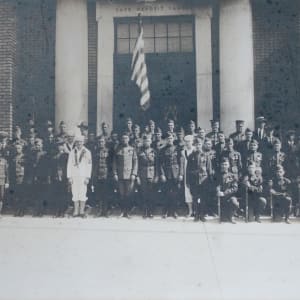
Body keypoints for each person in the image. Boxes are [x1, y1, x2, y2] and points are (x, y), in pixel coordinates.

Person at [112, 132, 138, 218]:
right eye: (123, 138)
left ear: (129, 139)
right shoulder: (118, 149)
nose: (124, 140)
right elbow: (114, 162)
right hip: (120, 175)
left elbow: (135, 162)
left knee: (129, 194)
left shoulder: (132, 149)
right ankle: (122, 211)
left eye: (126, 138)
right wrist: (115, 173)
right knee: (121, 194)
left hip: (129, 175)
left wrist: (134, 174)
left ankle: (128, 212)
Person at [186, 138, 212, 222]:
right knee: (195, 198)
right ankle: (196, 215)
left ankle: (202, 215)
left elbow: (209, 169)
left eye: (199, 144)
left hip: (204, 180)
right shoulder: (191, 156)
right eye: (196, 144)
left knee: (203, 198)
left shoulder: (206, 156)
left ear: (202, 145)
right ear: (194, 145)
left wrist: (209, 180)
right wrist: (187, 182)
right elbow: (188, 170)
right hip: (194, 180)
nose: (198, 146)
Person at [159, 133, 184, 218]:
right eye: (168, 138)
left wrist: (181, 174)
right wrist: (162, 174)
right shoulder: (162, 150)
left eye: (171, 138)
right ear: (166, 140)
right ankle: (166, 211)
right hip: (167, 174)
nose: (169, 140)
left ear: (173, 139)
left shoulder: (178, 149)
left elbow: (181, 162)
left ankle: (174, 211)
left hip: (176, 174)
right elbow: (161, 164)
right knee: (166, 193)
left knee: (175, 193)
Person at [67, 135, 92, 218]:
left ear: (83, 142)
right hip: (74, 175)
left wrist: (87, 177)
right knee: (75, 192)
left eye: (80, 142)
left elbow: (89, 165)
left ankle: (81, 211)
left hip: (83, 176)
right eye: (77, 142)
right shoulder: (72, 152)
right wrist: (69, 177)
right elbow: (69, 165)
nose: (79, 143)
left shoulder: (87, 152)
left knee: (82, 192)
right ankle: (76, 211)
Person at [137, 134, 158, 218]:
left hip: (152, 174)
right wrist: (137, 176)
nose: (147, 142)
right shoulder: (140, 152)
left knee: (151, 193)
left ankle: (150, 211)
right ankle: (145, 211)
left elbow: (157, 165)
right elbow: (137, 165)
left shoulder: (154, 151)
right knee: (144, 193)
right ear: (143, 142)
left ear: (151, 141)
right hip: (142, 174)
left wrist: (156, 176)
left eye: (148, 141)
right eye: (145, 141)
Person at [31, 138, 51, 217]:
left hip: (43, 176)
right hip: (34, 176)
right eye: (36, 145)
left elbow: (48, 167)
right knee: (35, 194)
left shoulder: (45, 154)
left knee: (43, 194)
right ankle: (36, 211)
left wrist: (48, 176)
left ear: (42, 145)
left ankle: (41, 211)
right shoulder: (32, 154)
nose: (38, 146)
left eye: (39, 145)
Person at [216, 157, 239, 223]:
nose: (224, 166)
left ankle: (231, 216)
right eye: (223, 164)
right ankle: (224, 215)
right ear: (220, 165)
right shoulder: (217, 175)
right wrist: (218, 191)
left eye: (226, 164)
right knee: (223, 219)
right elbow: (216, 185)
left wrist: (224, 193)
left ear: (229, 165)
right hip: (220, 197)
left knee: (235, 203)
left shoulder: (232, 175)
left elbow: (235, 188)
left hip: (229, 196)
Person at [93, 136, 112, 217]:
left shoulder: (109, 151)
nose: (101, 143)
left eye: (102, 141)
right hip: (98, 174)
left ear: (105, 142)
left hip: (106, 174)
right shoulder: (95, 151)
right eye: (100, 142)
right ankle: (100, 211)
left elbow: (111, 164)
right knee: (99, 193)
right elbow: (94, 164)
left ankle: (106, 211)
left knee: (106, 193)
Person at [51, 138, 69, 217]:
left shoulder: (66, 155)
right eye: (59, 145)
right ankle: (57, 211)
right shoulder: (54, 155)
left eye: (62, 145)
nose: (60, 147)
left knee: (64, 194)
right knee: (56, 194)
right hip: (56, 176)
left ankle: (63, 211)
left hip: (64, 176)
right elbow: (52, 165)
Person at [10, 143, 26, 216]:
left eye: (19, 148)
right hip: (14, 177)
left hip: (21, 177)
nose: (17, 149)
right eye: (16, 148)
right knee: (16, 195)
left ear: (22, 148)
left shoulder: (24, 156)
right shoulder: (14, 157)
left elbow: (26, 168)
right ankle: (16, 211)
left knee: (21, 194)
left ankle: (21, 211)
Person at [182, 135, 195, 217]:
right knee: (187, 192)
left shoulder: (196, 150)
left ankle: (197, 211)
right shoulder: (183, 152)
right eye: (186, 141)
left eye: (189, 141)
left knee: (196, 193)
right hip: (187, 174)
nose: (187, 143)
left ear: (192, 141)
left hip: (195, 174)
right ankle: (190, 211)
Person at [0, 140, 9, 216]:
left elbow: (7, 172)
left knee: (1, 197)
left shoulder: (4, 161)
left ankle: (0, 212)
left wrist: (7, 182)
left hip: (2, 181)